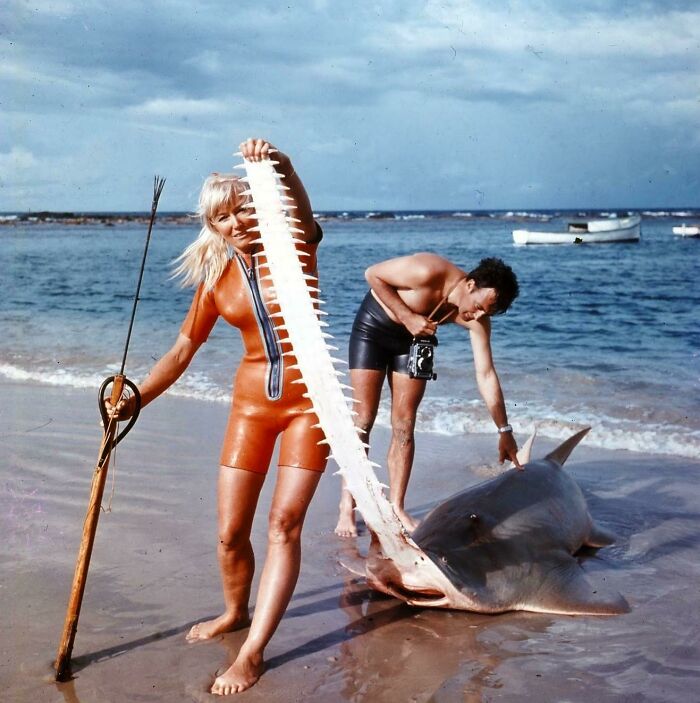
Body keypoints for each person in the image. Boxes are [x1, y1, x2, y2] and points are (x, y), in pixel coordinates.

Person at [107, 138, 328, 695]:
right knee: (230, 534)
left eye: (243, 208)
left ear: (259, 207)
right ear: (213, 223)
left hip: (311, 408)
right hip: (251, 408)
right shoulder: (215, 280)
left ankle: (252, 654)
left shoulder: (295, 250)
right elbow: (182, 352)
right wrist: (134, 399)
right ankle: (235, 611)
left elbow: (302, 213)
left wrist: (284, 166)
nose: (235, 221)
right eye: (222, 215)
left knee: (283, 526)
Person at [334, 253, 520, 538]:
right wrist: (407, 316)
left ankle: (397, 506)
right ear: (470, 285)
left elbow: (486, 375)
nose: (478, 316)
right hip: (374, 328)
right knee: (363, 418)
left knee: (405, 424)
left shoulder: (477, 321)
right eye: (480, 307)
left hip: (416, 341)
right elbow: (372, 273)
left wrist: (504, 430)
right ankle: (348, 503)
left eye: (487, 314)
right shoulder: (427, 270)